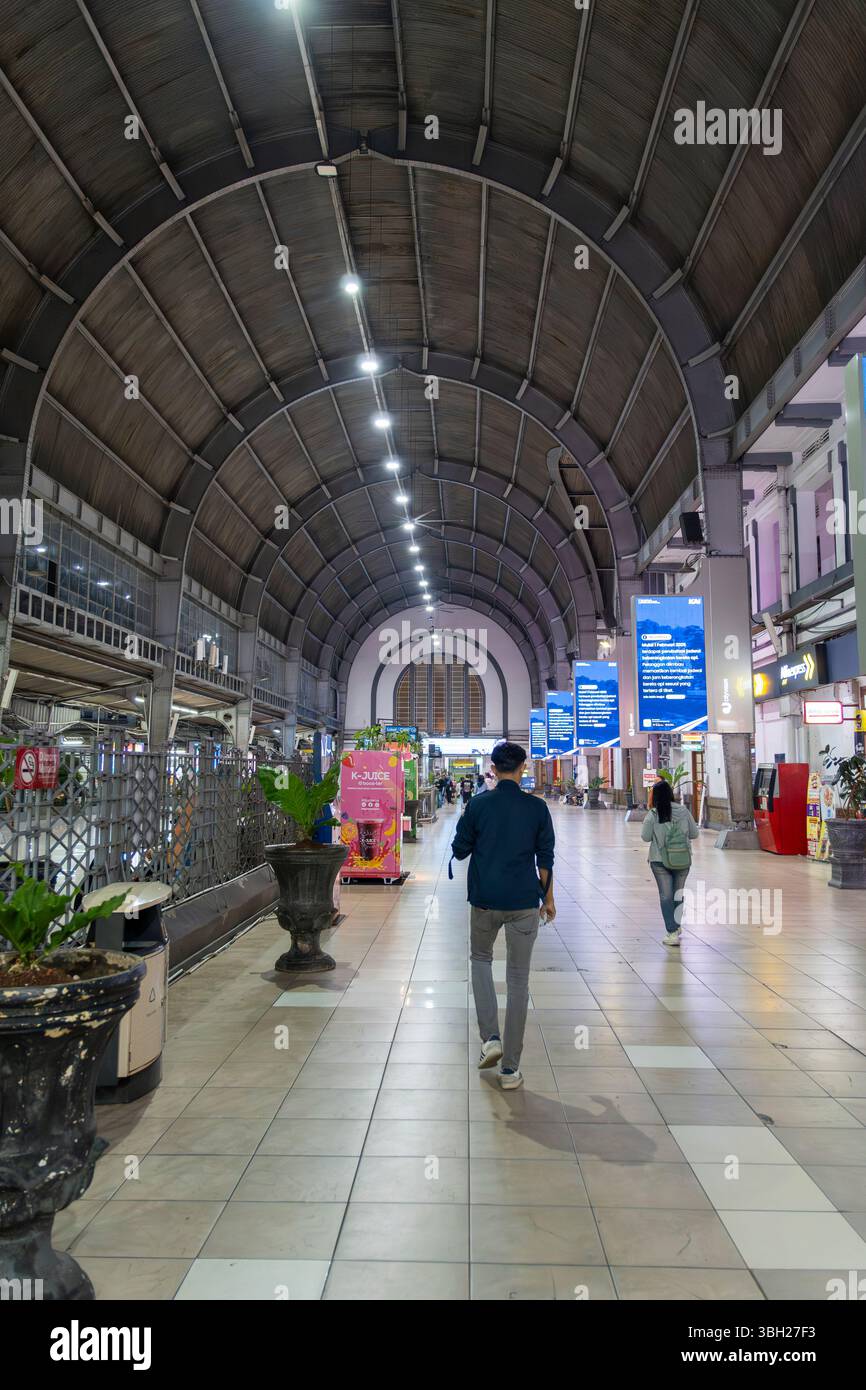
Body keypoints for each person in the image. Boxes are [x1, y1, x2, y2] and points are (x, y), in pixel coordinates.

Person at [450, 741, 555, 1089]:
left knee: (480, 960)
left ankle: (490, 1038)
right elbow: (545, 860)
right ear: (522, 768)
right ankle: (510, 1069)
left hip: (484, 900)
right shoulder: (537, 808)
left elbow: (460, 851)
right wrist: (548, 901)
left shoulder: (479, 805)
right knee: (518, 981)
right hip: (524, 902)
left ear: (492, 769)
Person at [641, 779, 699, 947]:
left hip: (659, 860)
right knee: (677, 894)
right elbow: (694, 834)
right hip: (682, 859)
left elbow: (645, 837)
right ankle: (676, 925)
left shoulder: (653, 814)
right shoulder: (683, 811)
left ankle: (672, 931)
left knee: (666, 896)